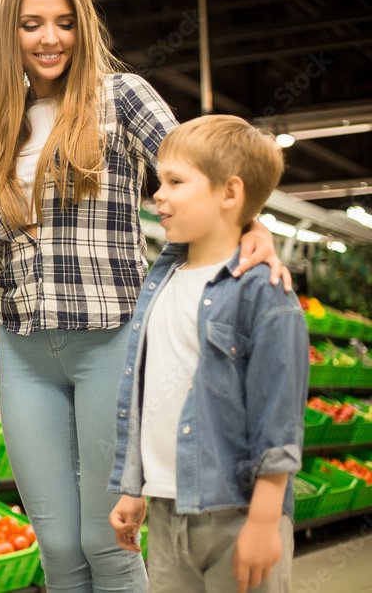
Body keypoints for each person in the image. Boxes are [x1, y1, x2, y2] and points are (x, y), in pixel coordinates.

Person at [0, 0, 286, 592]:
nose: (49, 38)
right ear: (11, 34)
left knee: (105, 539)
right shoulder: (2, 120)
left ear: (83, 28)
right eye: (31, 25)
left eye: (63, 23)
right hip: (25, 350)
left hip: (111, 340)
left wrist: (251, 223)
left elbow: (198, 168)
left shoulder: (122, 96)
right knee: (55, 542)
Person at [107, 115, 307, 593]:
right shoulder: (162, 280)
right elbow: (146, 391)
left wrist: (264, 518)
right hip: (167, 512)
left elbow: (278, 417)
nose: (159, 194)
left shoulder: (265, 294)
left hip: (237, 510)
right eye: (159, 181)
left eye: (176, 181)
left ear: (230, 193)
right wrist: (133, 487)